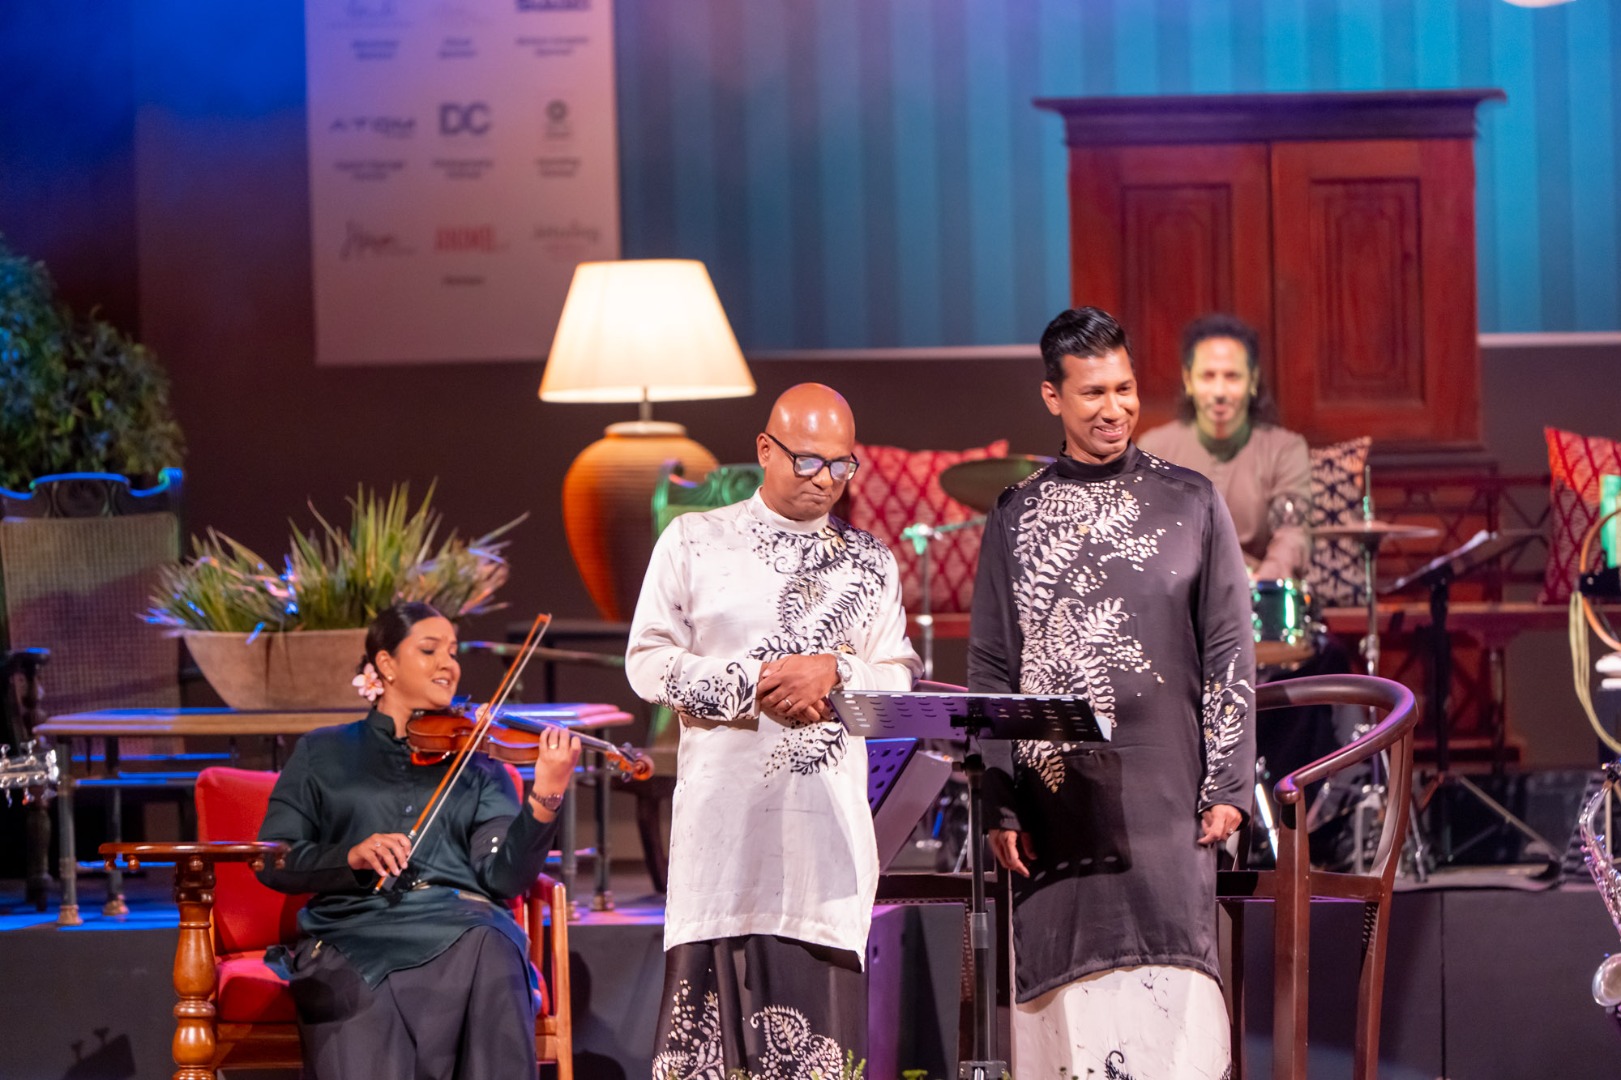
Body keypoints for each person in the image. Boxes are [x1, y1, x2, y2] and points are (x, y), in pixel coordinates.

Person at [969, 307, 1255, 1078]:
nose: (1113, 408)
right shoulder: (1016, 514)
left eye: (1124, 388)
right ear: (1051, 397)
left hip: (1168, 804)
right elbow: (990, 669)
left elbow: (1228, 649)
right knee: (1067, 1010)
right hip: (1054, 811)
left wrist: (1228, 785)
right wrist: (998, 802)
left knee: (1174, 995)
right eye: (1092, 392)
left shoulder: (1191, 501)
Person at [627, 382, 922, 1078]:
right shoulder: (694, 540)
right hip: (720, 844)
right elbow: (646, 662)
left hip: (822, 851)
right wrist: (757, 684)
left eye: (841, 465)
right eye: (807, 460)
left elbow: (900, 679)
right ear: (765, 449)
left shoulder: (869, 560)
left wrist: (834, 672)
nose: (825, 479)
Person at [257, 601, 580, 1080]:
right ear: (385, 663)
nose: (448, 663)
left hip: (462, 924)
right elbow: (274, 859)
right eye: (430, 650)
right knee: (365, 995)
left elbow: (504, 878)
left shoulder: (481, 764)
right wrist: (350, 856)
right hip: (355, 929)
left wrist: (546, 796)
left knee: (492, 942)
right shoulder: (322, 752)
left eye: (452, 651)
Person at [1136, 313, 1312, 582]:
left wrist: (1263, 582)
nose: (1219, 391)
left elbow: (1292, 535)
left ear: (1252, 381)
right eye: (1208, 376)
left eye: (1232, 377)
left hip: (1257, 595)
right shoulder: (1155, 450)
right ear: (1188, 380)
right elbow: (1143, 536)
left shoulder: (1285, 450)